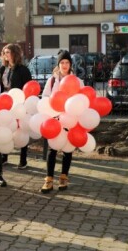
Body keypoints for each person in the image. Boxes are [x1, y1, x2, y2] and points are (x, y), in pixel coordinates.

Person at [40, 50, 78, 193]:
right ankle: (49, 179)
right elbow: (45, 97)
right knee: (53, 149)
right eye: (62, 62)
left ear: (70, 64)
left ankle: (63, 177)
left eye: (67, 62)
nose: (64, 65)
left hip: (70, 119)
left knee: (68, 150)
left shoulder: (76, 80)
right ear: (58, 64)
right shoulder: (52, 80)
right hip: (55, 118)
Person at [0, 43, 32, 169]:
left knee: (20, 129)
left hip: (19, 103)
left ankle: (23, 160)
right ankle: (4, 156)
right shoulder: (3, 69)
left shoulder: (23, 70)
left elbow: (28, 87)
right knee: (5, 128)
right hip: (4, 102)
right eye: (4, 52)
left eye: (8, 52)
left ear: (15, 54)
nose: (6, 55)